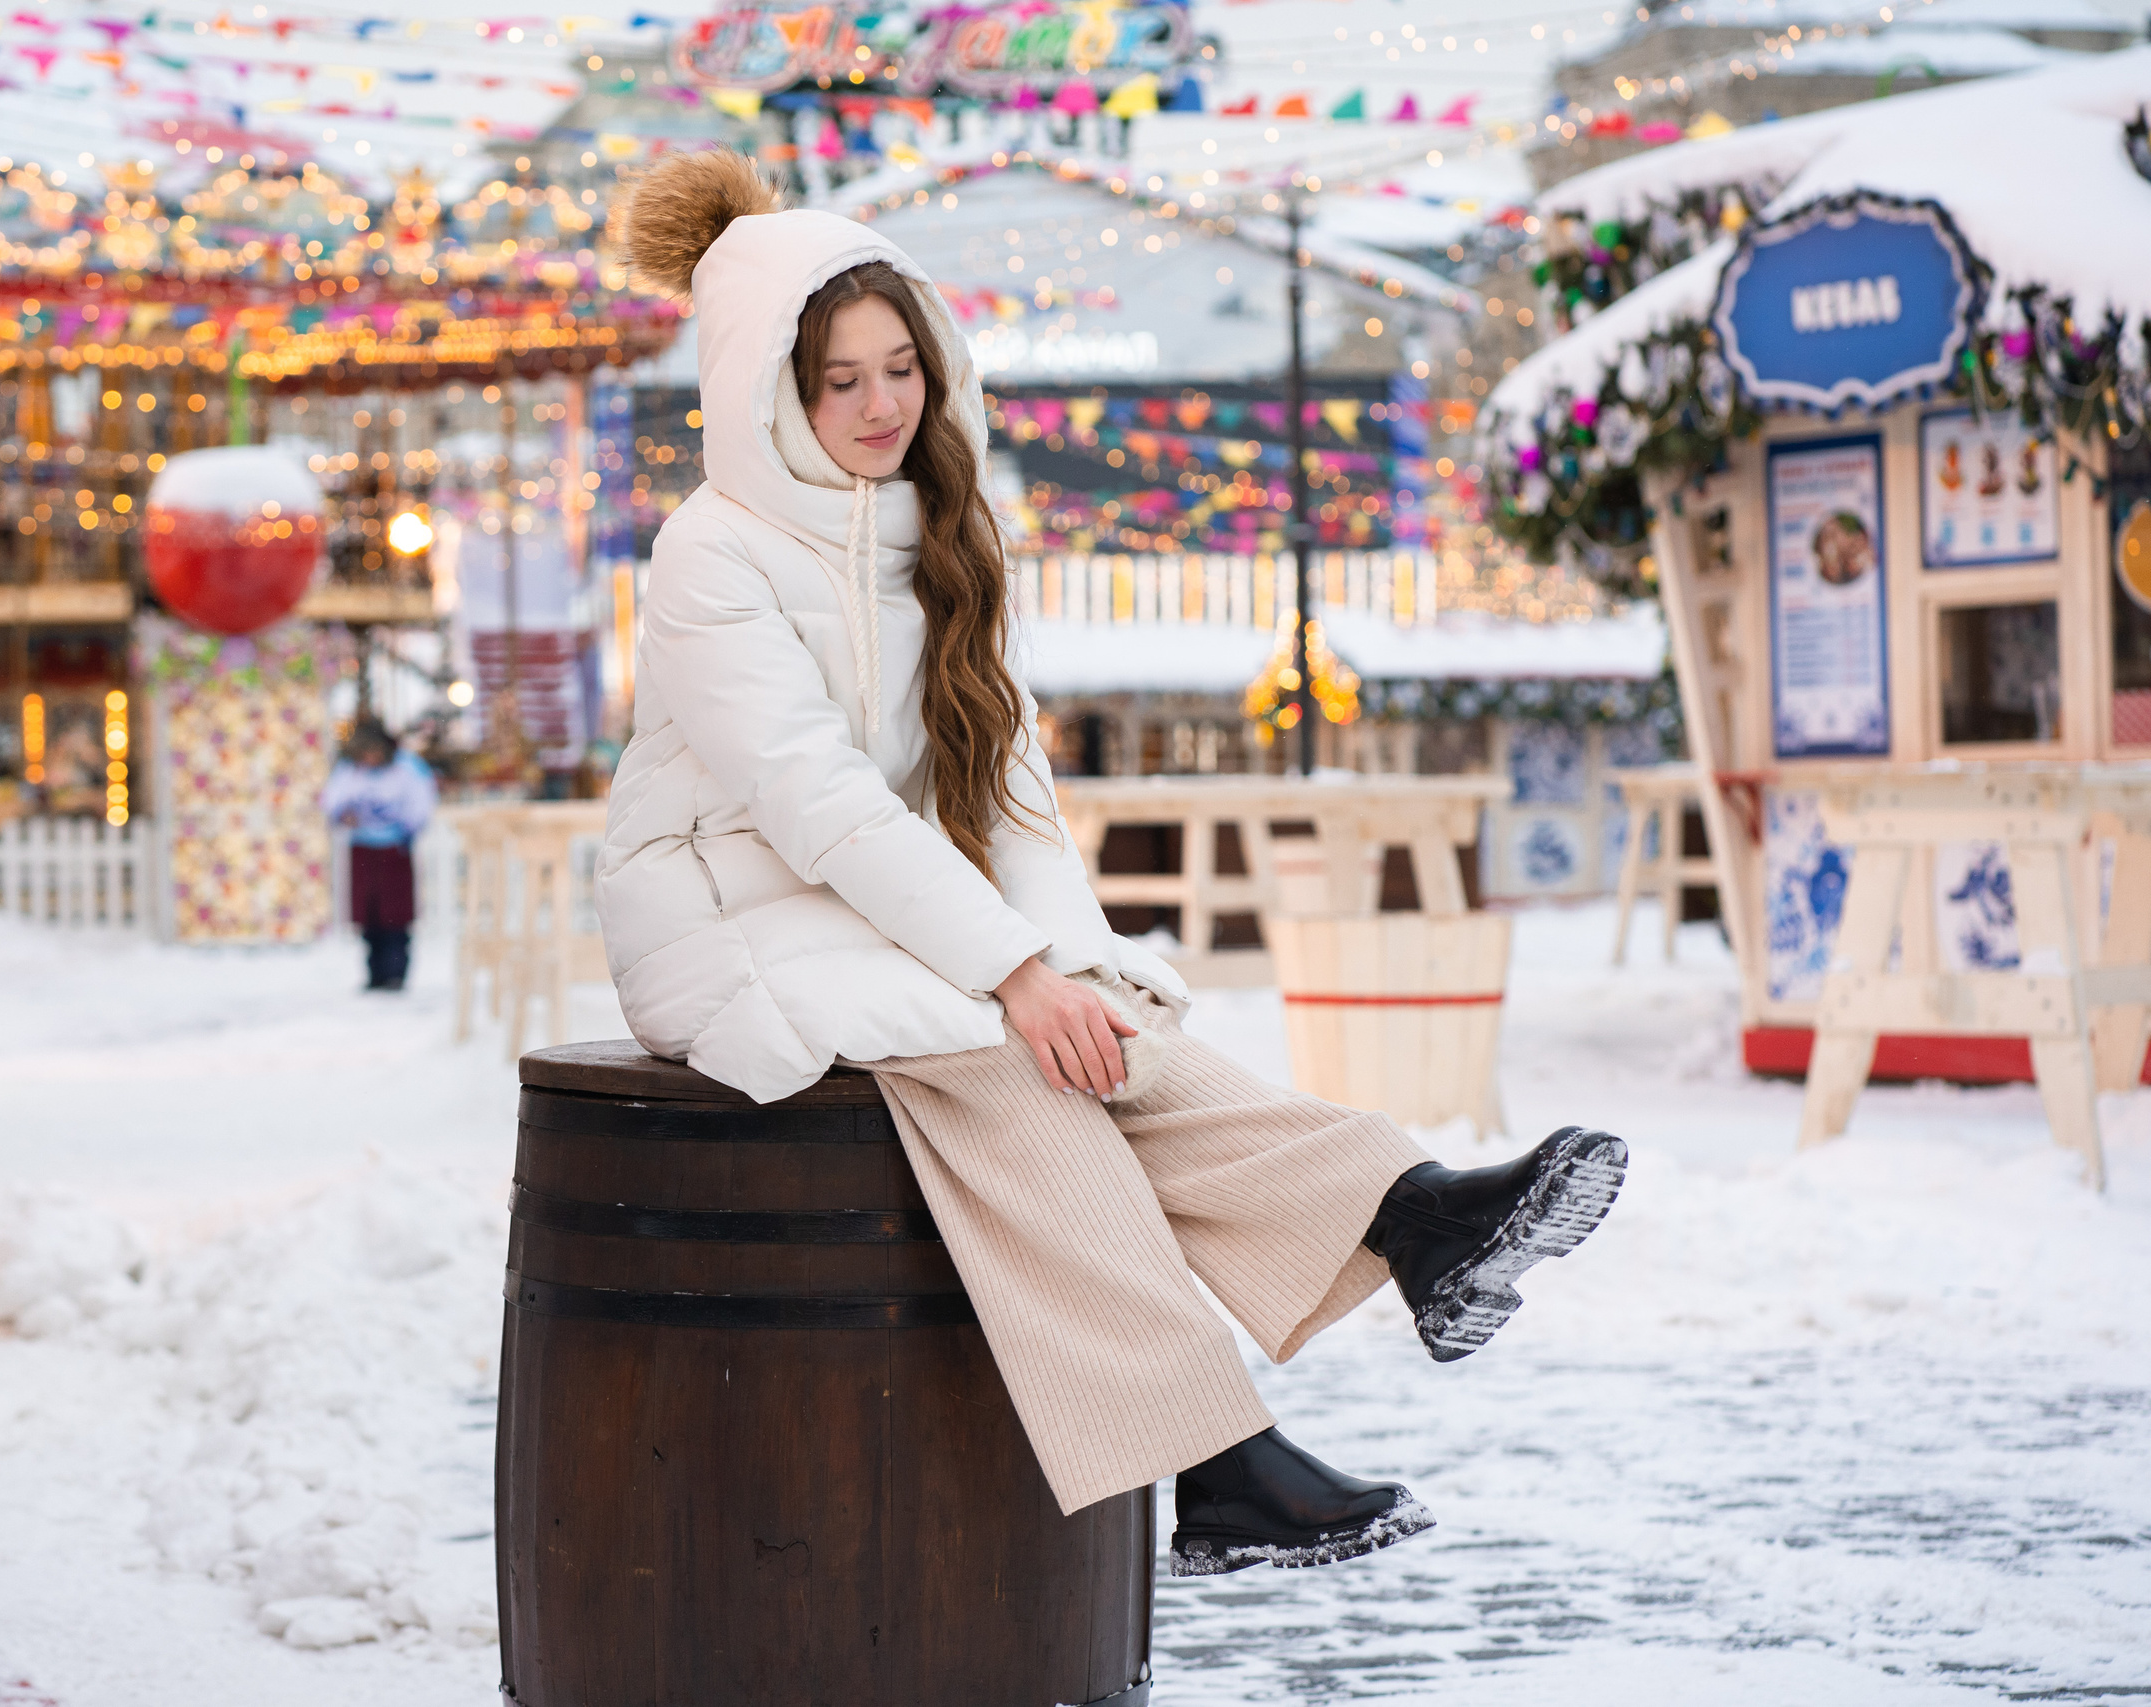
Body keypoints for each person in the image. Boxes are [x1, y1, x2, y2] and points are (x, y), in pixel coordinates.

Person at [594, 151, 1628, 1576]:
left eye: (902, 365)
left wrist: (1065, 958)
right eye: (841, 381)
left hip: (877, 909)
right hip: (725, 911)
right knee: (1016, 1049)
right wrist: (1012, 975)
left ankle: (1412, 1210)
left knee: (1101, 1035)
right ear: (772, 389)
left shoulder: (945, 525)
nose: (884, 404)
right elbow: (815, 798)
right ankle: (1221, 1446)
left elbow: (1004, 779)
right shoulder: (710, 553)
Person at [322, 721, 436, 992]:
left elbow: (422, 804)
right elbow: (332, 800)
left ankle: (396, 973)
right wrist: (342, 815)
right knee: (369, 915)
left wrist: (404, 828)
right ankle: (375, 974)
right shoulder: (349, 771)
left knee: (395, 916)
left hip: (394, 849)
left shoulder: (408, 769)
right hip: (363, 849)